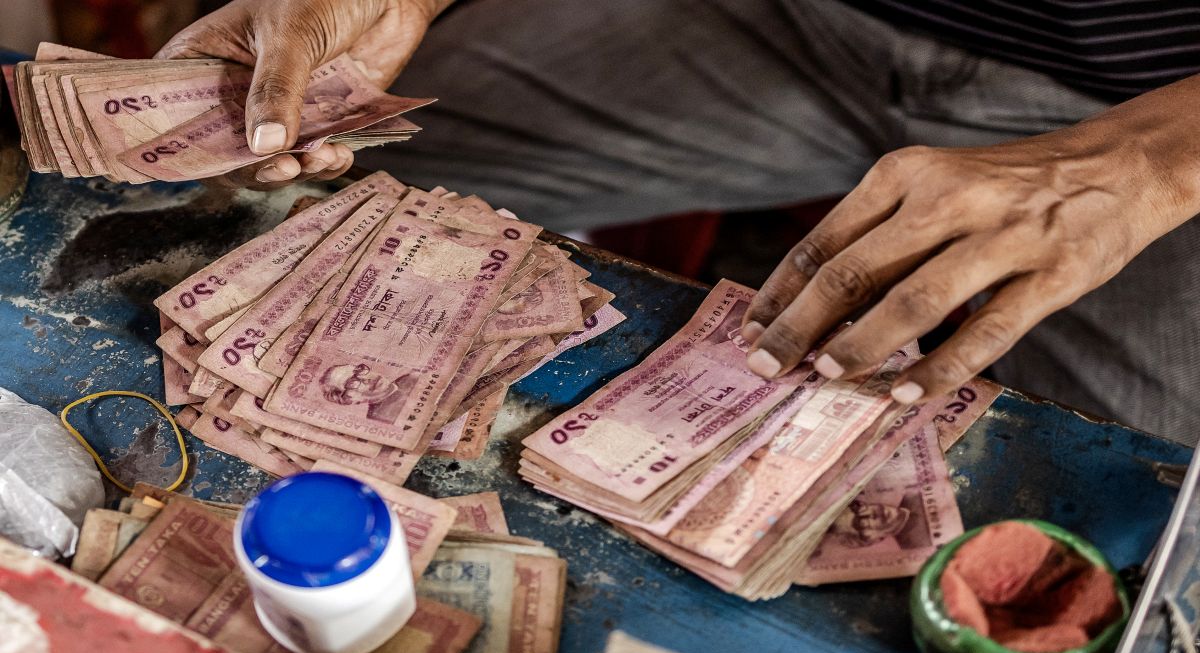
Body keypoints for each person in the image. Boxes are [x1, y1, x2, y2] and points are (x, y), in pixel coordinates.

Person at [158, 0, 1200, 444]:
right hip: (775, 17)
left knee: (1150, 511)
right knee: (289, 199)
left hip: (1151, 105)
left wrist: (1149, 159)